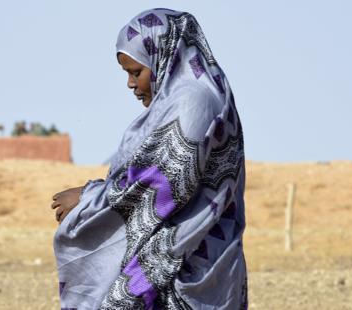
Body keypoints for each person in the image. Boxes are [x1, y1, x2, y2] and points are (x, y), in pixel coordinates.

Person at [52, 8, 247, 309]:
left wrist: (88, 198)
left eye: (136, 72)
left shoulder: (194, 102)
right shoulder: (187, 99)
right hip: (190, 265)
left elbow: (163, 184)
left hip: (191, 271)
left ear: (164, 58)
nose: (131, 84)